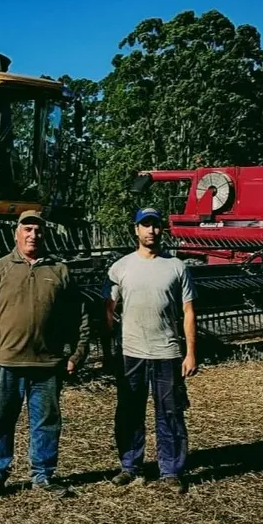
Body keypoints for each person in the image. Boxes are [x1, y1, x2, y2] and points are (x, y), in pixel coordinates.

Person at [0, 210, 90, 497]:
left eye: (37, 230)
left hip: (47, 365)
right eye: (27, 229)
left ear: (44, 235)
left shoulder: (60, 271)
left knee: (46, 423)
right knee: (0, 421)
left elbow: (80, 316)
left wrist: (77, 354)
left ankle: (43, 475)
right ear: (17, 234)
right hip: (5, 363)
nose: (33, 235)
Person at [103, 207, 197, 494]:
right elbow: (108, 311)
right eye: (145, 225)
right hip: (131, 353)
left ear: (161, 229)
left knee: (170, 413)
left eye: (155, 225)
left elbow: (189, 312)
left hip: (167, 353)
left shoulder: (176, 267)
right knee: (129, 411)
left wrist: (190, 352)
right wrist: (109, 352)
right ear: (136, 230)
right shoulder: (120, 267)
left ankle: (171, 470)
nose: (151, 231)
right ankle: (130, 466)